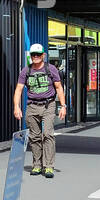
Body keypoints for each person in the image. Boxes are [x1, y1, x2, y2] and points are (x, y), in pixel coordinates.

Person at [13, 43, 66, 177]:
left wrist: (63, 106)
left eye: (38, 54)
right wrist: (16, 107)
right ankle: (37, 165)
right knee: (34, 137)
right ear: (30, 56)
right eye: (33, 55)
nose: (35, 57)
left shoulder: (51, 69)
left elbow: (59, 88)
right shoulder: (26, 71)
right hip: (32, 106)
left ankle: (48, 166)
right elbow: (18, 89)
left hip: (48, 105)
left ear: (43, 55)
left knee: (47, 134)